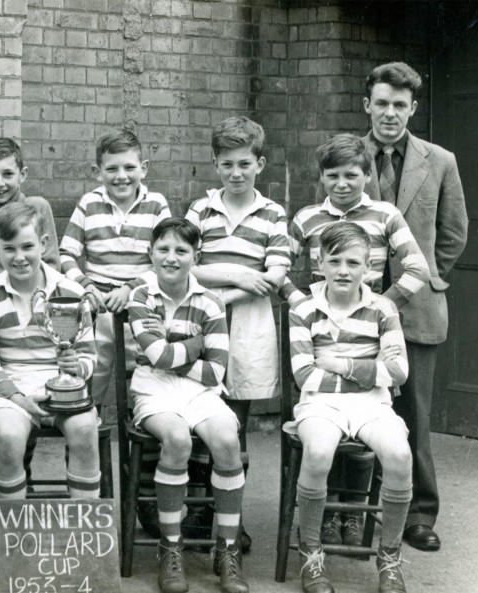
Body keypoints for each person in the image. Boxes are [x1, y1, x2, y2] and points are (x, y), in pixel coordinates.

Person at [280, 133, 430, 548]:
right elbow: (277, 267)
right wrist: (299, 300)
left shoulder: (385, 214)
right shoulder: (308, 218)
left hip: (370, 330)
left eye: (351, 175)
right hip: (321, 326)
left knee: (369, 428)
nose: (342, 184)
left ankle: (352, 512)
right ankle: (327, 516)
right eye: (332, 176)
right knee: (325, 430)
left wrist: (383, 303)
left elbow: (417, 268)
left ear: (366, 175)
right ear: (321, 177)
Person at [359, 62, 468, 552]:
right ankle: (348, 508)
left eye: (399, 105)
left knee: (415, 416)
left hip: (418, 307)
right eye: (382, 103)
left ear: (413, 109)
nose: (390, 113)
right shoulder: (347, 156)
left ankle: (419, 515)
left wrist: (425, 277)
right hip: (357, 307)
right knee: (355, 407)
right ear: (367, 105)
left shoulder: (440, 160)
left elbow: (453, 232)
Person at [284, 222, 413, 593]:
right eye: (335, 261)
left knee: (399, 456)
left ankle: (389, 558)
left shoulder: (383, 308)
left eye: (353, 262)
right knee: (318, 451)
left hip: (372, 404)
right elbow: (305, 377)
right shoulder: (303, 309)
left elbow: (399, 372)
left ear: (368, 267)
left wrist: (340, 364)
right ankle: (310, 553)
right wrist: (372, 369)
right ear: (319, 263)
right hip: (320, 403)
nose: (343, 270)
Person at [181, 116, 290, 548]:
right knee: (197, 415)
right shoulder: (200, 209)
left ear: (259, 164)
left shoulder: (273, 213)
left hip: (247, 325)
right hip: (201, 322)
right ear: (215, 164)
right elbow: (186, 264)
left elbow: (275, 274)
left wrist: (225, 294)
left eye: (245, 164)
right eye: (227, 164)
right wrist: (239, 276)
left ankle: (233, 518)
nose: (236, 173)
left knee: (235, 425)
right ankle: (198, 511)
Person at [127, 218, 248, 593]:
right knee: (177, 439)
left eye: (181, 250)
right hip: (153, 389)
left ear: (196, 256)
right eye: (163, 249)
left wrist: (171, 348)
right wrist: (196, 344)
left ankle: (227, 550)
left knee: (226, 440)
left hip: (200, 391)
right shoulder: (141, 296)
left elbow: (215, 372)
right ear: (150, 253)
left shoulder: (210, 301)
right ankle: (170, 548)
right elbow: (157, 357)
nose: (171, 257)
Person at [0, 202, 101, 501]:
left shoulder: (71, 291)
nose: (19, 257)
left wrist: (76, 367)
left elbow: (88, 355)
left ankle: (82, 520)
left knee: (84, 429)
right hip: (10, 391)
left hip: (62, 390)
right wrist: (19, 398)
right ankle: (13, 524)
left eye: (27, 246)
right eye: (9, 248)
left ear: (43, 244)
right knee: (8, 436)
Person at [59, 129, 171, 411]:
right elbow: (66, 254)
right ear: (98, 172)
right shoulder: (89, 204)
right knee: (92, 376)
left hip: (141, 305)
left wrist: (130, 289)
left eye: (130, 167)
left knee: (141, 378)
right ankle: (87, 428)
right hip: (97, 307)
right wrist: (86, 285)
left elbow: (166, 259)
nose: (121, 176)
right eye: (112, 169)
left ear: (144, 168)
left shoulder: (156, 205)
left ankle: (141, 431)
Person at [0, 137, 60, 282]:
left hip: (32, 289)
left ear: (22, 174)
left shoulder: (37, 207)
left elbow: (51, 264)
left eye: (8, 174)